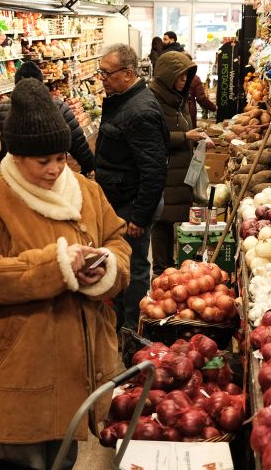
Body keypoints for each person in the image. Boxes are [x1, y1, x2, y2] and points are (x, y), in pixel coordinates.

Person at [0, 78, 131, 470]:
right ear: (16, 155)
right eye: (42, 161)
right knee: (25, 461)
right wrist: (58, 265)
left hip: (79, 362)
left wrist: (107, 266)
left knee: (63, 459)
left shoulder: (85, 191)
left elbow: (116, 238)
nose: (54, 170)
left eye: (60, 158)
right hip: (19, 363)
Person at [95, 43, 168, 330]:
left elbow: (153, 170)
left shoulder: (140, 110)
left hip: (131, 205)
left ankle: (132, 329)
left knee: (135, 267)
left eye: (106, 73)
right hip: (121, 198)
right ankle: (123, 321)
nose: (102, 78)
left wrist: (140, 216)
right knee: (123, 262)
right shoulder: (124, 101)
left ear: (127, 74)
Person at [149, 51, 208, 275]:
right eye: (181, 75)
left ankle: (171, 264)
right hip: (165, 170)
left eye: (187, 75)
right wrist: (185, 137)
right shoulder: (154, 100)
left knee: (172, 219)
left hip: (180, 170)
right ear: (167, 74)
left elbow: (182, 127)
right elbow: (152, 137)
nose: (185, 80)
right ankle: (160, 269)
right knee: (162, 220)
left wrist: (198, 137)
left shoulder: (177, 98)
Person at [0, 61, 95, 176]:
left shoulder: (0, 109)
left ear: (16, 83)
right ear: (41, 83)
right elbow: (77, 141)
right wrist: (88, 165)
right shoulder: (58, 107)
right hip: (50, 174)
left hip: (12, 174)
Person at [184, 52, 218, 127]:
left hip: (175, 113)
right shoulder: (195, 78)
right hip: (189, 112)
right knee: (190, 134)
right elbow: (201, 98)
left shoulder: (172, 77)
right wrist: (213, 107)